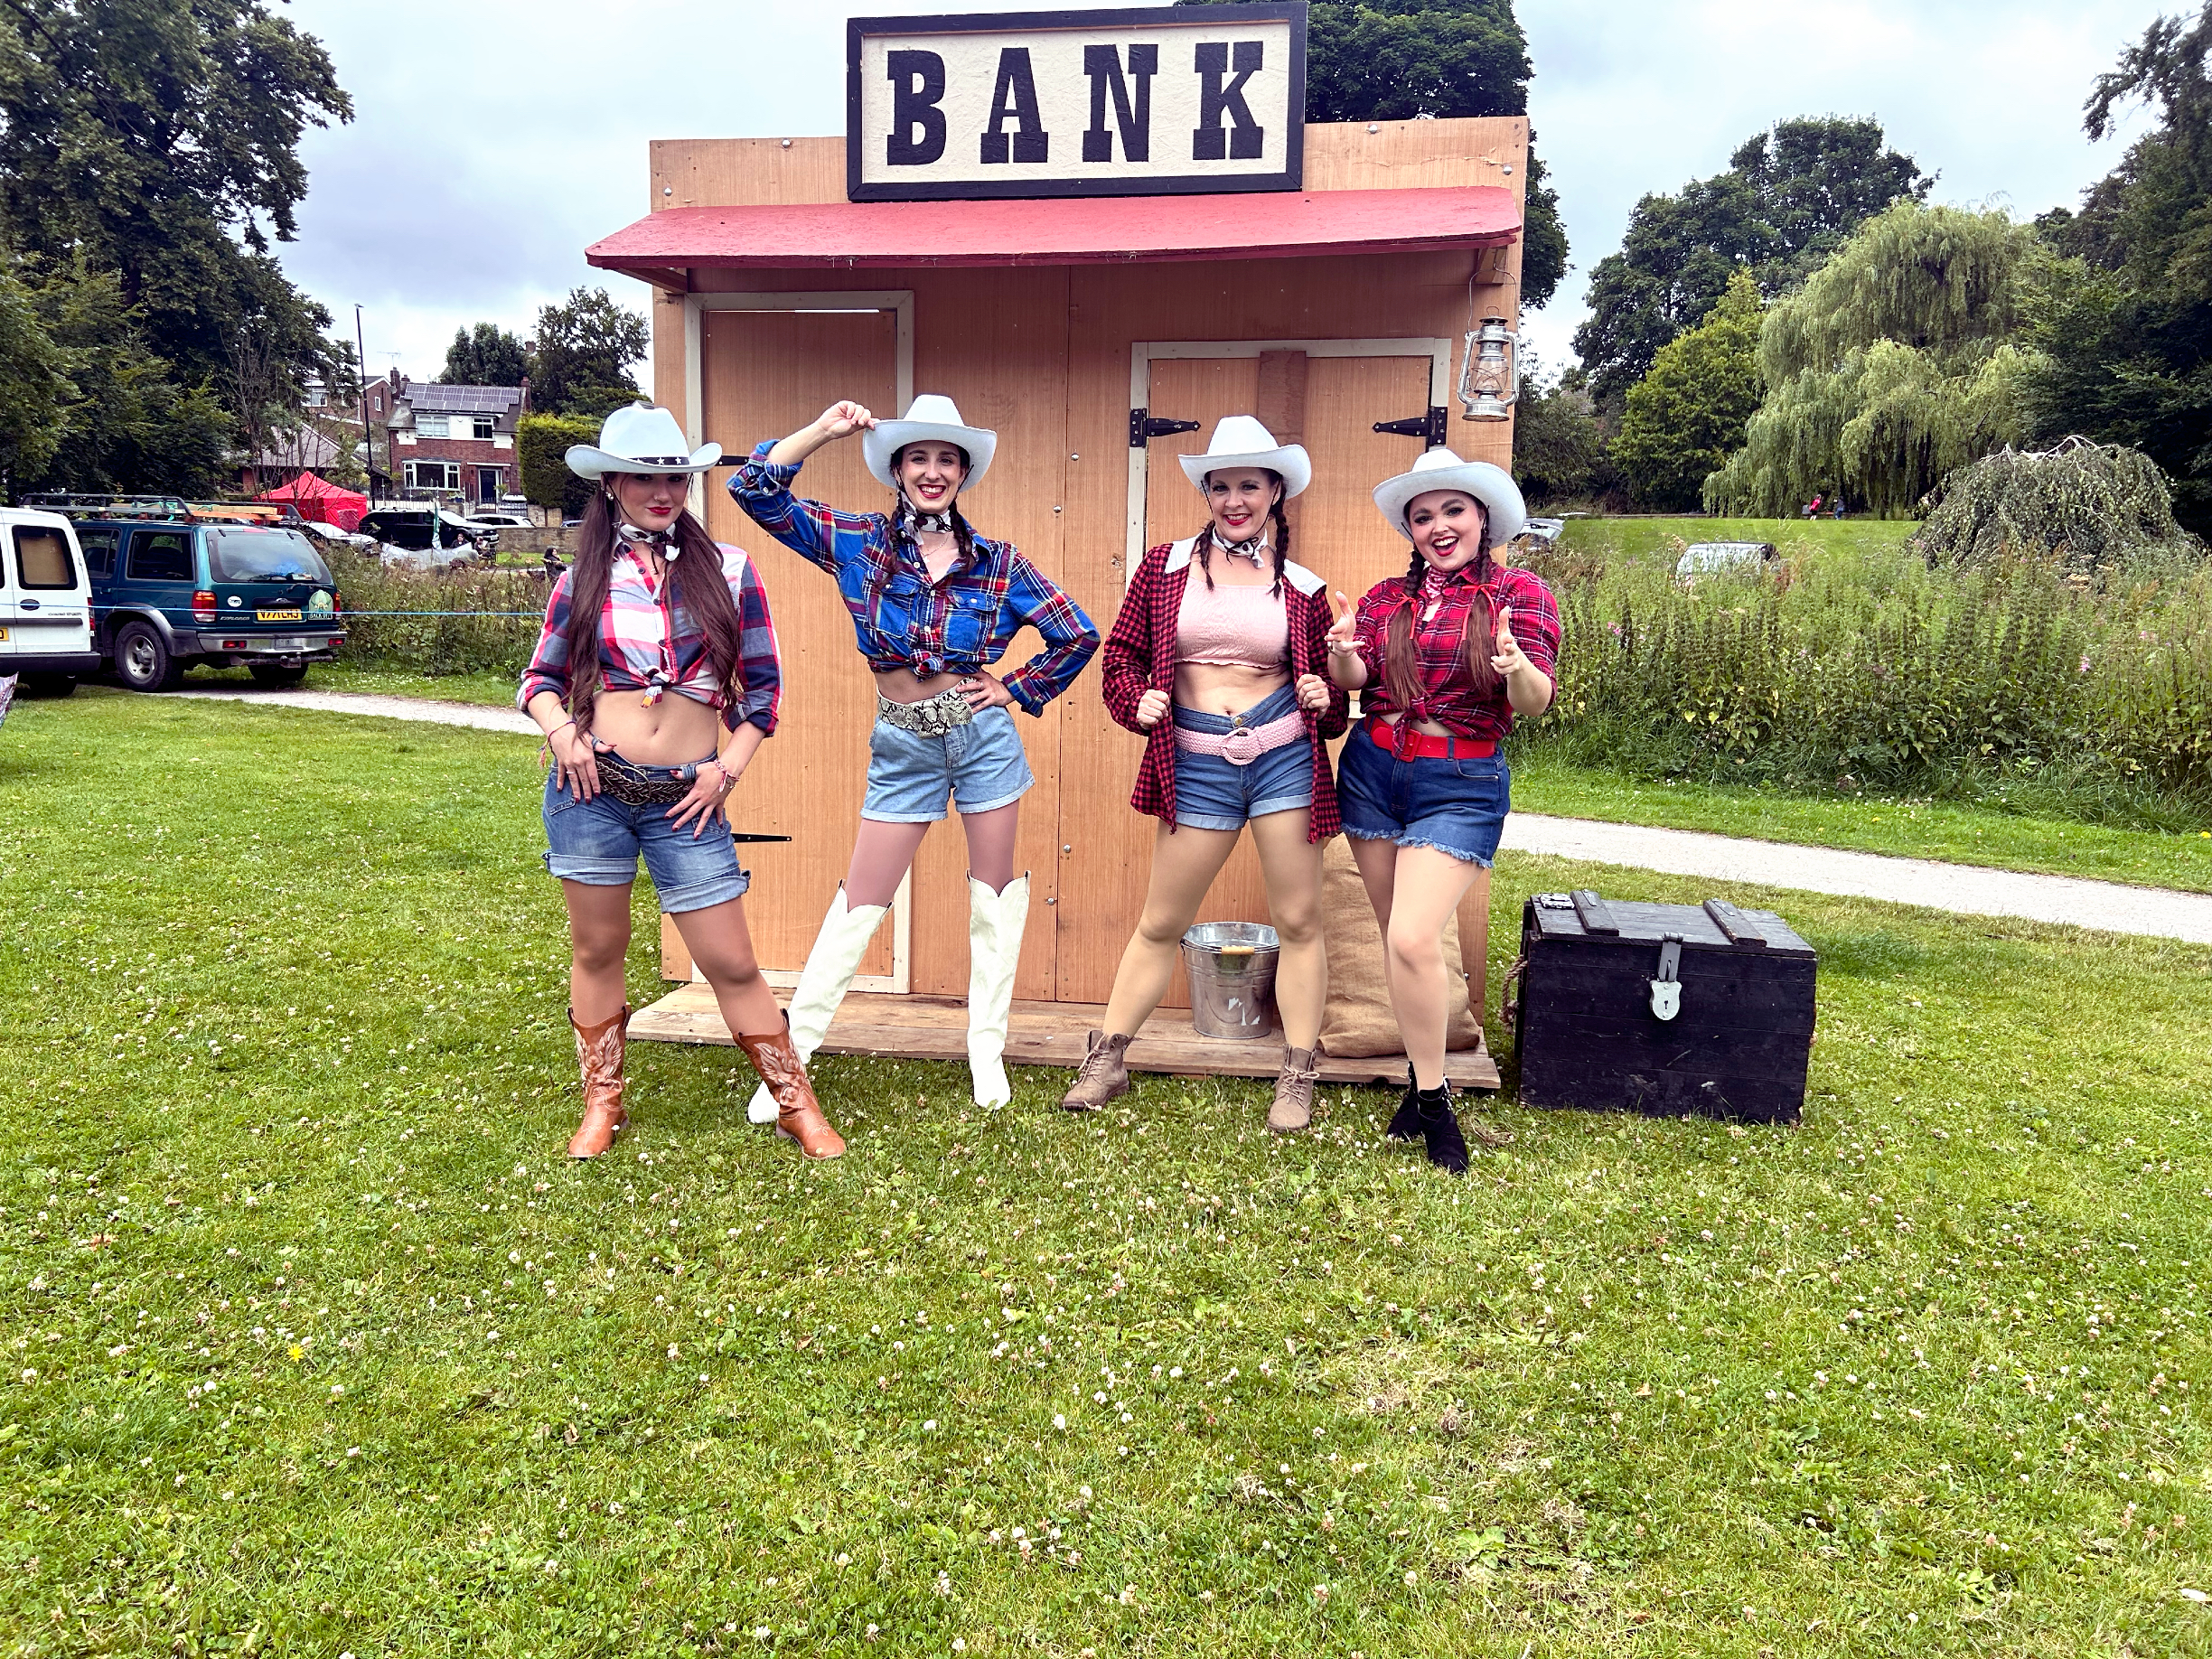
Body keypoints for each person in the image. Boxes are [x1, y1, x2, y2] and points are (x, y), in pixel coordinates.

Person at [730, 394, 1099, 1114]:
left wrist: (1015, 687)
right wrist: (824, 432)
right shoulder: (858, 541)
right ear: (897, 469)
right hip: (902, 737)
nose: (933, 472)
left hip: (981, 736)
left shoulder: (999, 563)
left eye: (947, 460)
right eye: (919, 458)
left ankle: (985, 1050)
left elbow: (1077, 634)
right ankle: (790, 1064)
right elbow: (755, 491)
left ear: (964, 473)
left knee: (994, 896)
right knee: (861, 897)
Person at [519, 403, 844, 1162]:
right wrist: (563, 734)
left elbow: (762, 692)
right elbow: (539, 679)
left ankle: (797, 1104)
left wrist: (728, 768)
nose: (662, 491)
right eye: (644, 476)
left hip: (687, 800)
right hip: (591, 792)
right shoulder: (582, 578)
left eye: (675, 477)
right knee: (598, 948)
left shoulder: (730, 570)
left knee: (730, 960)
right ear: (611, 486)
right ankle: (603, 1102)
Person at [1064, 417, 1348, 1129]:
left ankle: (1297, 1073)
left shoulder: (1305, 588)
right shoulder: (1162, 570)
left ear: (1274, 490)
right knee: (1162, 919)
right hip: (1194, 762)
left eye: (1248, 485)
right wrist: (1138, 701)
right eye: (1220, 487)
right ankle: (1109, 1058)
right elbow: (1121, 658)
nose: (1233, 499)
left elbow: (1333, 694)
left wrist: (1326, 694)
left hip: (1283, 757)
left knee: (1299, 919)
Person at [1324, 447, 1561, 1174]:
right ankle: (1426, 1083)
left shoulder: (1522, 594)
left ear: (1481, 517)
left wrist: (1519, 669)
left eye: (1452, 510)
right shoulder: (1384, 599)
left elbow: (1536, 702)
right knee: (1400, 942)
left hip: (1460, 780)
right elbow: (1360, 682)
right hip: (1372, 770)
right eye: (1422, 516)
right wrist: (1339, 655)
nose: (1437, 526)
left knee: (1414, 937)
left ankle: (1431, 1100)